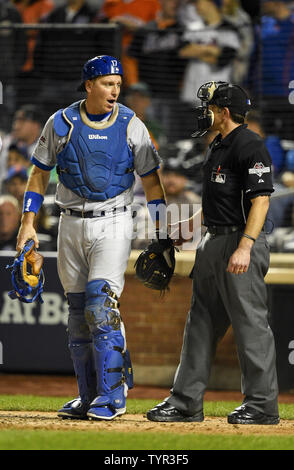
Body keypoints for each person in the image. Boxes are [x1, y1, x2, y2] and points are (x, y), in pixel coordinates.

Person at [16, 55, 167, 421]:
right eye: (107, 83)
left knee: (101, 306)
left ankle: (113, 396)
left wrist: (162, 235)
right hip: (69, 222)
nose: (115, 89)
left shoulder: (132, 124)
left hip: (114, 221)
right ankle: (87, 396)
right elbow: (38, 175)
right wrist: (27, 223)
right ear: (89, 85)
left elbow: (153, 185)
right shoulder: (61, 122)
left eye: (118, 84)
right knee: (77, 313)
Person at [147, 81, 280, 425]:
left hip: (239, 242)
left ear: (223, 112)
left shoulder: (250, 145)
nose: (203, 113)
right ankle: (185, 401)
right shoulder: (218, 145)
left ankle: (262, 405)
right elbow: (213, 205)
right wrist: (185, 229)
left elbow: (261, 201)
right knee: (200, 324)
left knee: (250, 326)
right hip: (212, 242)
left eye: (208, 107)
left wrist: (246, 247)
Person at [254, 0, 294, 140]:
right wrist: (249, 84)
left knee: (288, 140)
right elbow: (255, 57)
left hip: (289, 93)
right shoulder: (261, 25)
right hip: (264, 93)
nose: (262, 3)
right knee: (266, 138)